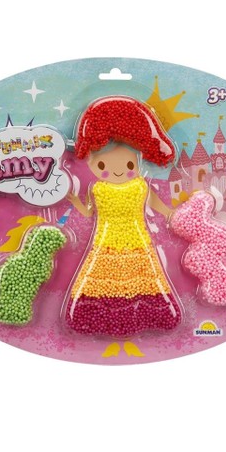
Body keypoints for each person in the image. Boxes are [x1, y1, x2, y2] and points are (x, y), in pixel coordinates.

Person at [63, 95, 183, 338]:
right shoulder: (99, 189)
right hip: (105, 242)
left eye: (129, 165)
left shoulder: (139, 186)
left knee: (144, 277)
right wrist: (75, 201)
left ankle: (149, 314)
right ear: (93, 162)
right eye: (102, 166)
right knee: (101, 278)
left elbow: (156, 204)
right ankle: (95, 316)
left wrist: (172, 214)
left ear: (138, 162)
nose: (118, 170)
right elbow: (89, 212)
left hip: (136, 241)